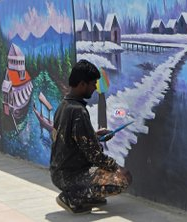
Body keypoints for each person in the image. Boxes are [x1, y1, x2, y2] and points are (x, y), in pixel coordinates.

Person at [50, 60, 132, 214]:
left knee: (106, 172)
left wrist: (93, 135)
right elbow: (94, 154)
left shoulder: (64, 106)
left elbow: (69, 139)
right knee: (124, 178)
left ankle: (86, 195)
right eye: (93, 83)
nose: (95, 87)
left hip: (59, 173)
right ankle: (74, 196)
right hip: (71, 176)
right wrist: (116, 168)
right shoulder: (78, 111)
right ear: (82, 84)